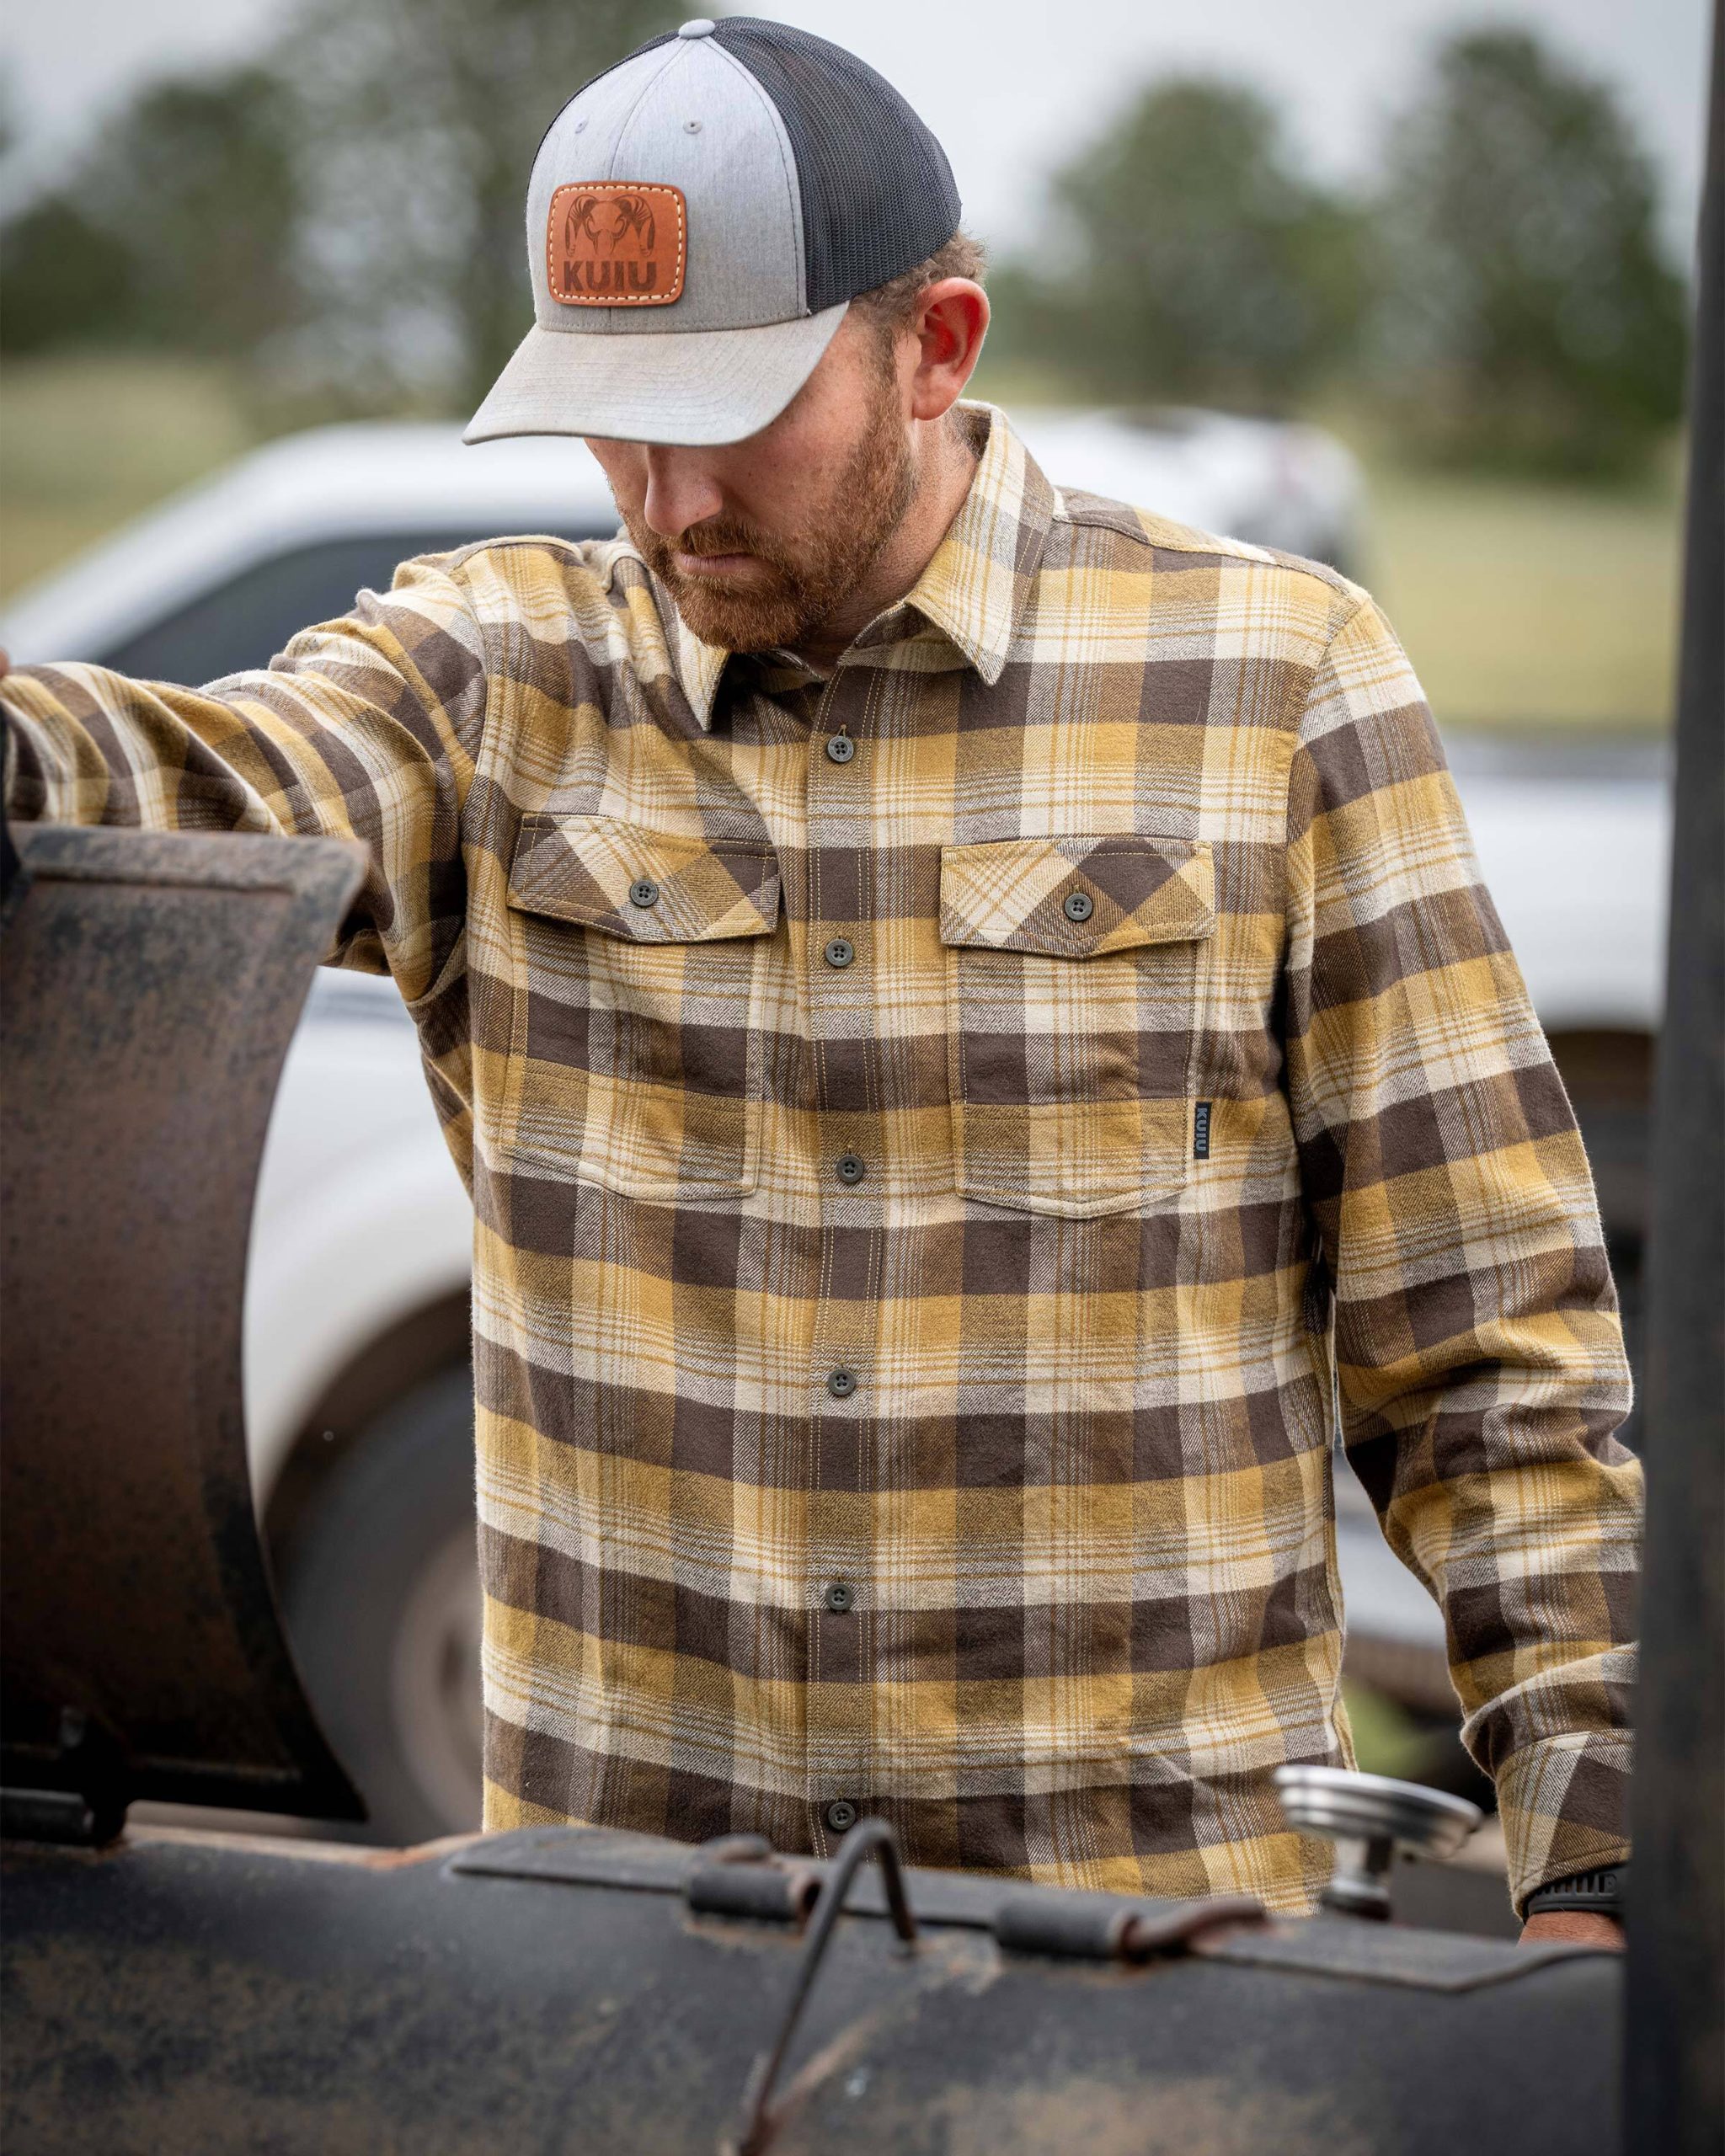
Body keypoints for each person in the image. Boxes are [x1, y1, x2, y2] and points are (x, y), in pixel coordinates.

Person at [0, 18, 1637, 1945]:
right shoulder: (492, 680)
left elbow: (1491, 1352)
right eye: (614, 420)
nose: (665, 501)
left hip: (1160, 1967)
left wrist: (1598, 1871)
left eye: (727, 414)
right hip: (619, 1954)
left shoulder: (1272, 683)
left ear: (935, 345)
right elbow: (189, 777)